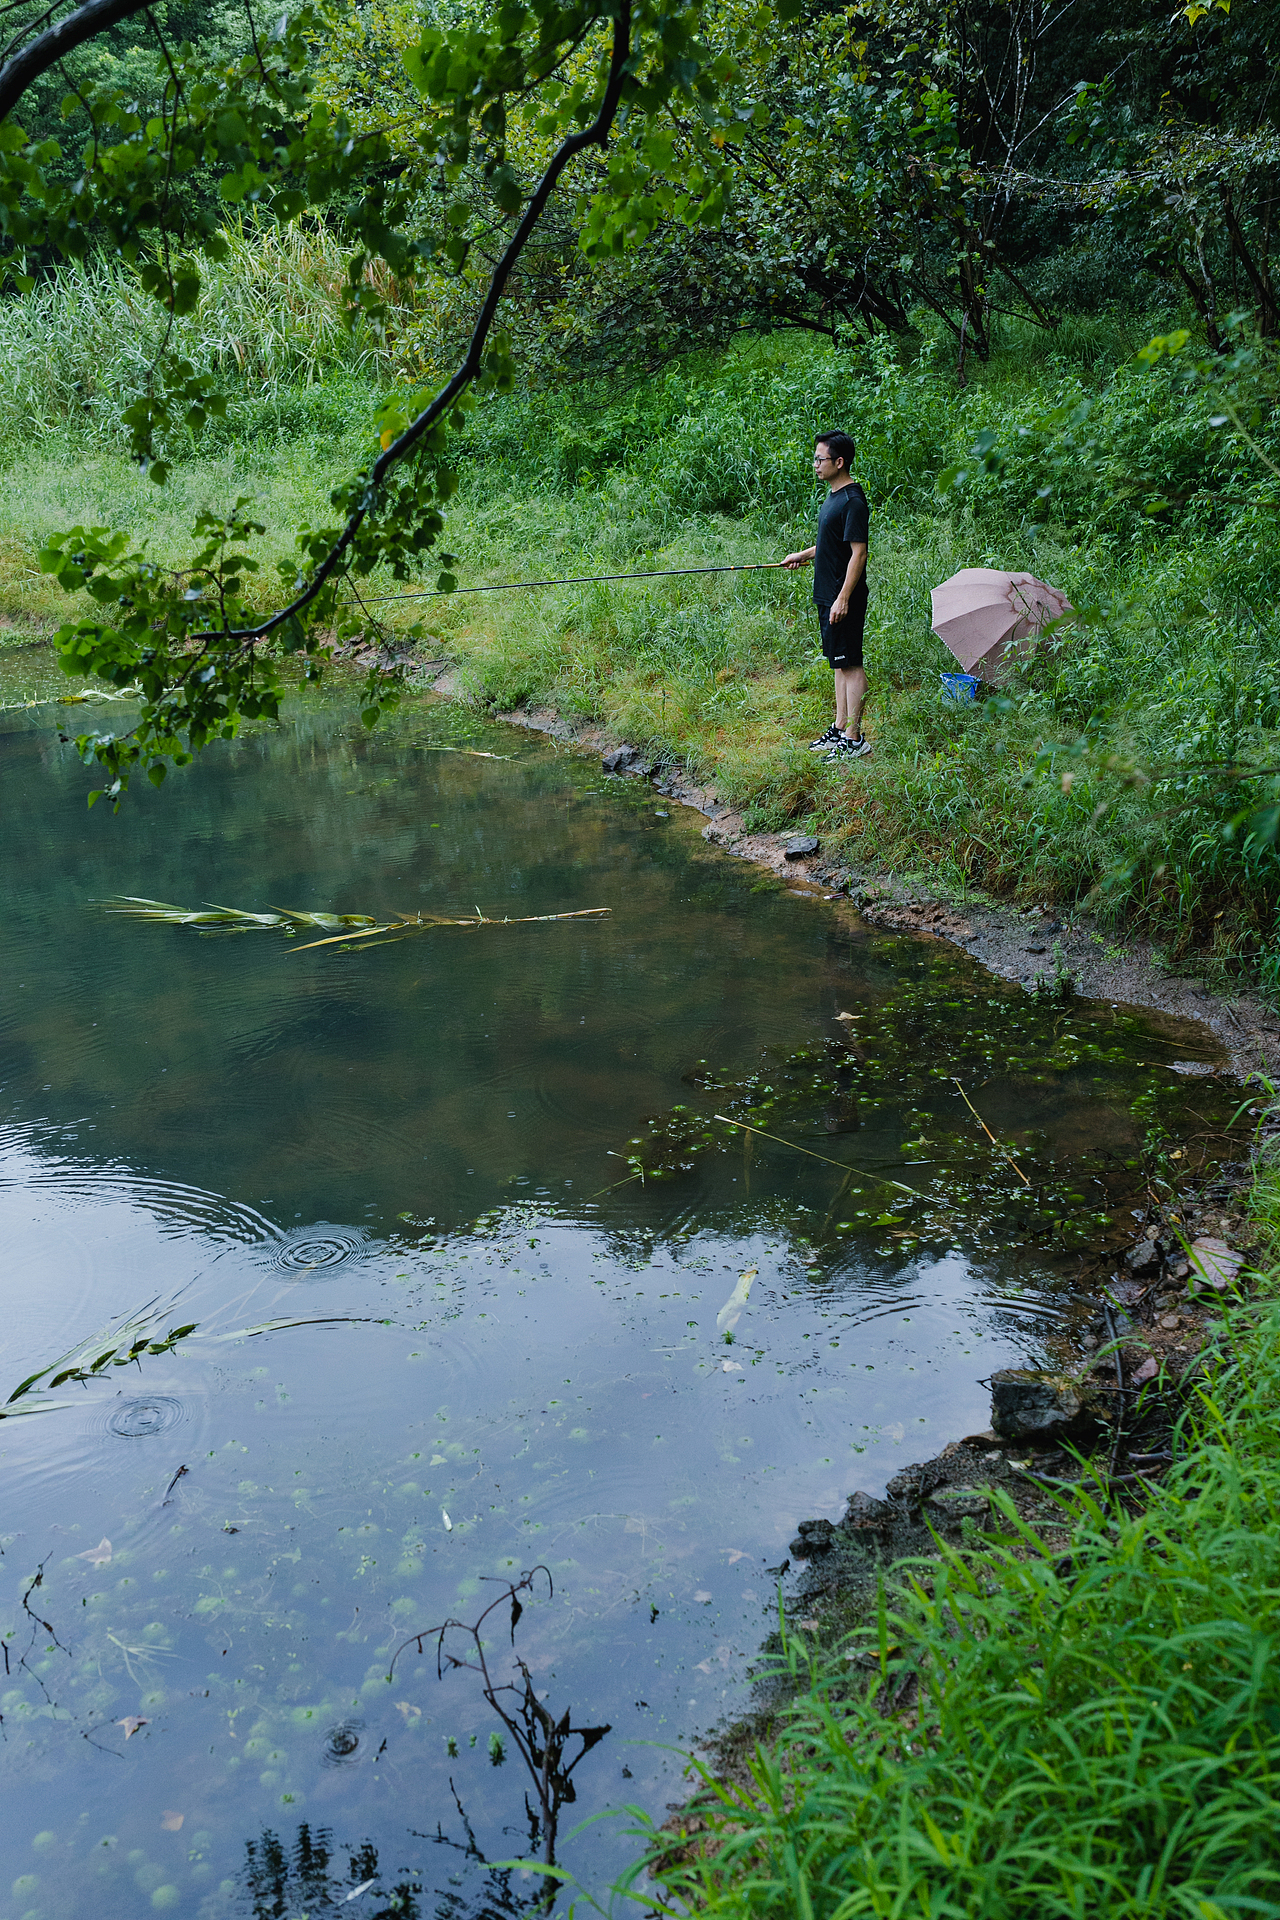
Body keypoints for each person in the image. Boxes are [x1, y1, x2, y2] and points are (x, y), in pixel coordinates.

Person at [783, 431, 870, 761]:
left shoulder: (853, 501)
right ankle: (839, 727)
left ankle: (855, 737)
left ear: (839, 462)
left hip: (841, 597)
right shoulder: (834, 497)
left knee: (851, 664)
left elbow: (858, 553)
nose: (816, 464)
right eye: (815, 458)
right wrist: (803, 555)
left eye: (821, 459)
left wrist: (844, 597)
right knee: (838, 663)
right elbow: (833, 545)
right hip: (828, 594)